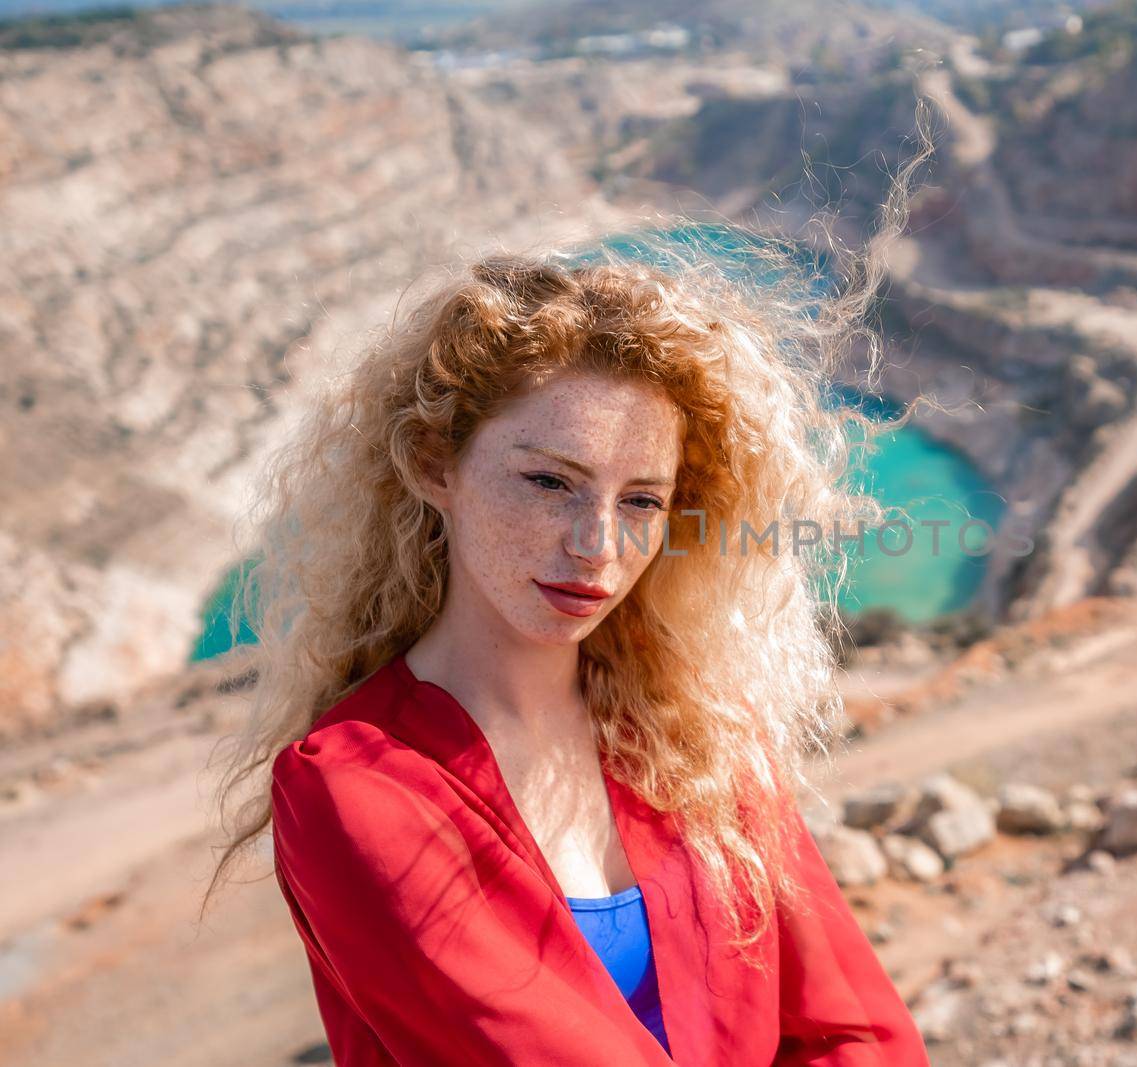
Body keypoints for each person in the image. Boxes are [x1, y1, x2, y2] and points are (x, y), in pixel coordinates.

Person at [202, 103, 940, 1065]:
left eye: (641, 500)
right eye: (548, 481)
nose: (596, 543)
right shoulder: (354, 787)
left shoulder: (702, 748)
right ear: (436, 466)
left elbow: (855, 1031)